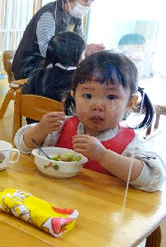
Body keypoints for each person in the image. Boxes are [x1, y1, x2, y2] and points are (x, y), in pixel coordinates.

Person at [15, 51, 165, 192]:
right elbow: (23, 145)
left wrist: (103, 155)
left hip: (102, 213)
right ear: (74, 96)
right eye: (87, 96)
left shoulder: (131, 143)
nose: (97, 106)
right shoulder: (61, 127)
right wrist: (40, 130)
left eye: (111, 97)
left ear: (129, 104)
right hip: (57, 202)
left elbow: (154, 177)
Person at [12, 0, 104, 80]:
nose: (89, 5)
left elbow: (79, 42)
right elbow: (47, 51)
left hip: (54, 68)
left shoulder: (75, 15)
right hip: (31, 69)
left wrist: (86, 48)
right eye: (86, 0)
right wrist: (80, 53)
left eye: (92, 0)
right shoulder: (48, 15)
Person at [22, 31, 85, 102]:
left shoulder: (40, 74)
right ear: (76, 55)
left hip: (36, 112)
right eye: (83, 53)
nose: (84, 57)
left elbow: (25, 92)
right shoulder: (79, 80)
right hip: (63, 113)